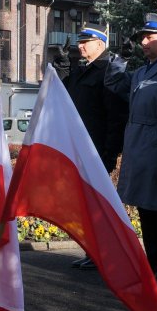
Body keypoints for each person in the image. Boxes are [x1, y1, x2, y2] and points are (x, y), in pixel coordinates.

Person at [105, 14, 157, 289]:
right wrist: (120, 58)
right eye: (142, 37)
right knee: (146, 211)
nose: (142, 42)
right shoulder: (142, 72)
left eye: (148, 37)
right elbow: (114, 84)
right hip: (139, 149)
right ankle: (152, 266)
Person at [53, 24, 129, 269]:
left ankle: (105, 254)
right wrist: (63, 65)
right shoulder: (84, 70)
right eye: (80, 42)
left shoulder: (109, 70)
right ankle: (93, 252)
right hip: (81, 149)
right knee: (87, 204)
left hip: (97, 150)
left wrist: (109, 153)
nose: (80, 46)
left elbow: (115, 116)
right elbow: (66, 94)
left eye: (86, 42)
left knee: (99, 205)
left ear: (101, 44)